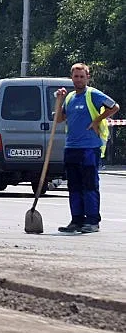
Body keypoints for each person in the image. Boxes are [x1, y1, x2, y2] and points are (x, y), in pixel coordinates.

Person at [55, 63, 119, 234]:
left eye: (82, 76)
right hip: (71, 147)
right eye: (76, 76)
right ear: (72, 78)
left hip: (89, 148)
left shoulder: (93, 94)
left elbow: (114, 106)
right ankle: (76, 220)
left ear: (87, 78)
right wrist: (59, 100)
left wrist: (97, 120)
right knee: (74, 186)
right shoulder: (69, 98)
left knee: (89, 185)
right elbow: (59, 119)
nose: (79, 79)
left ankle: (92, 221)